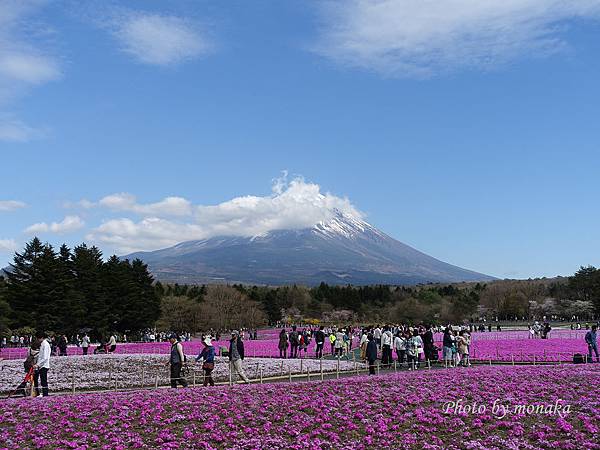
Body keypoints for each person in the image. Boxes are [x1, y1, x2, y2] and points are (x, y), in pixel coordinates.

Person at [33, 332, 51, 397]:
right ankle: (44, 394)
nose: (37, 339)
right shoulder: (43, 344)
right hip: (41, 365)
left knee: (44, 381)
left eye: (38, 338)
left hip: (44, 365)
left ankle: (45, 395)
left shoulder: (45, 344)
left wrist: (38, 364)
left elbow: (45, 357)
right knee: (43, 380)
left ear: (42, 338)